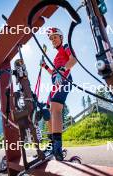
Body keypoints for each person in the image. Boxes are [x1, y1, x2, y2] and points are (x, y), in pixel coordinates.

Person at [40, 27, 77, 161]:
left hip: (65, 80)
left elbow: (73, 60)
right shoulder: (56, 57)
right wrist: (44, 66)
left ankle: (57, 148)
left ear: (61, 37)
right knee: (48, 111)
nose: (53, 40)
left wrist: (63, 69)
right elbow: (53, 73)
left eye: (55, 37)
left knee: (55, 108)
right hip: (56, 84)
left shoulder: (66, 46)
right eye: (51, 39)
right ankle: (51, 145)